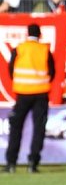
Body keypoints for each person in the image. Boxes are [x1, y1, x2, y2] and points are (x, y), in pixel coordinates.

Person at [4, 24, 56, 173]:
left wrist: (21, 82)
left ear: (27, 34)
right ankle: (33, 163)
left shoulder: (20, 48)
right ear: (40, 35)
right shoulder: (45, 50)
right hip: (41, 94)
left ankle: (11, 164)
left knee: (16, 127)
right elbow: (52, 72)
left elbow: (11, 69)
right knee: (38, 128)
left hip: (22, 94)